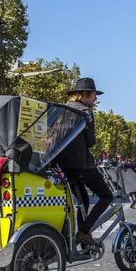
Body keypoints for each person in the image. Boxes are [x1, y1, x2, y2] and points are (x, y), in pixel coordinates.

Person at [54, 77, 113, 247]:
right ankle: (84, 231)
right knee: (106, 196)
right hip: (81, 164)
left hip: (63, 166)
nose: (95, 99)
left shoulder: (62, 110)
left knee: (83, 201)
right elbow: (91, 142)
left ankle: (83, 242)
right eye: (94, 95)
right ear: (86, 95)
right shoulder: (86, 113)